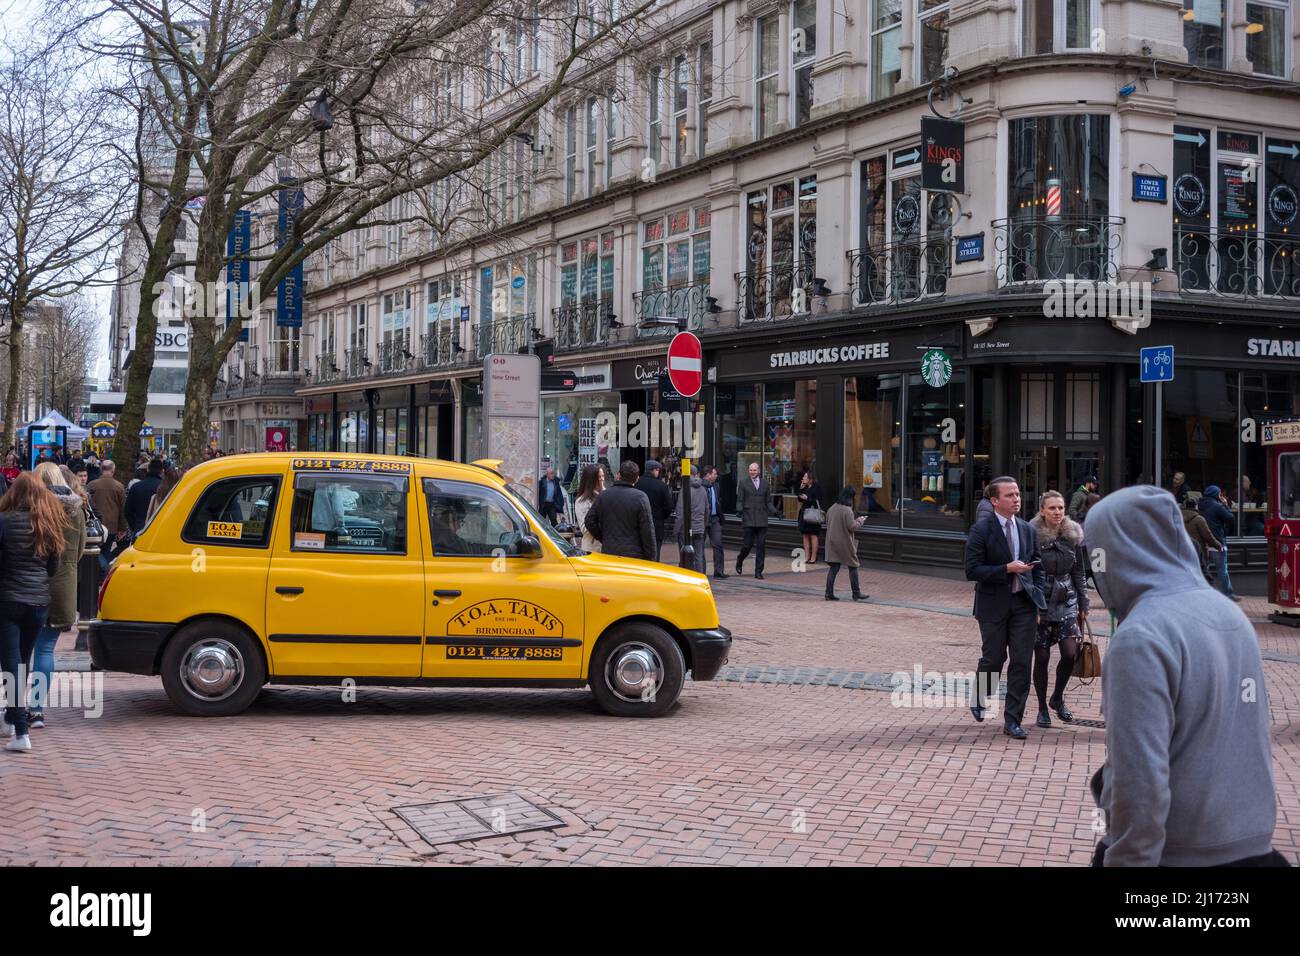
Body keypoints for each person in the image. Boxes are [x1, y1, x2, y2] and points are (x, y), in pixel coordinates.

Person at [1085, 486, 1286, 866]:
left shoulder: (1141, 637)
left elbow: (1139, 776)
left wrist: (1128, 859)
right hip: (1249, 844)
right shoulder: (1230, 615)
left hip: (1175, 853)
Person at [963, 476, 1047, 740]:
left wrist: (1037, 599)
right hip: (993, 605)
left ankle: (1013, 720)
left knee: (1022, 662)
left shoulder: (1027, 529)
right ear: (994, 500)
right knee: (994, 658)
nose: (1016, 499)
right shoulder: (981, 530)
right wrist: (1005, 569)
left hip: (1023, 605)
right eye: (1010, 495)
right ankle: (980, 695)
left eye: (1018, 494)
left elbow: (1038, 567)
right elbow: (971, 570)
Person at [0, 472, 68, 753]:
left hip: (8, 600)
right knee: (22, 662)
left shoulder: (3, 521)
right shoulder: (48, 524)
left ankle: (20, 729)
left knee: (11, 665)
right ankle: (10, 718)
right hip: (38, 602)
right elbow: (53, 567)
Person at [27, 463, 86, 731]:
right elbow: (81, 549)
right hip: (63, 586)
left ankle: (15, 707)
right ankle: (36, 709)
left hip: (30, 585)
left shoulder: (33, 509)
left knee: (19, 650)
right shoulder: (76, 511)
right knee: (46, 649)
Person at [1028, 491, 1087, 729]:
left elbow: (1080, 573)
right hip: (1041, 600)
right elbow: (1028, 573)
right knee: (1041, 657)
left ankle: (1057, 697)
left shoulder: (1072, 535)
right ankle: (1042, 707)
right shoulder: (1031, 535)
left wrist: (1084, 604)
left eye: (1061, 508)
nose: (1057, 512)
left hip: (1067, 600)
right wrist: (1032, 604)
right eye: (1052, 508)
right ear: (1042, 510)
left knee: (1070, 653)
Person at [584, 460, 655, 561]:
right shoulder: (640, 497)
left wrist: (603, 538)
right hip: (634, 554)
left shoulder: (604, 495)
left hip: (609, 551)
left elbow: (589, 521)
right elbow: (648, 531)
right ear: (637, 478)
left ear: (618, 475)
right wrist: (651, 557)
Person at [824, 487, 868, 602]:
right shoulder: (847, 510)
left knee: (834, 567)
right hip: (844, 542)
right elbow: (852, 527)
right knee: (853, 566)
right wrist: (860, 520)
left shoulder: (832, 507)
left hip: (831, 541)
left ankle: (828, 593)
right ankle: (856, 593)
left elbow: (827, 521)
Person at [1198, 484, 1239, 602]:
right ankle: (1228, 594)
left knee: (1204, 569)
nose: (1221, 496)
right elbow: (1230, 518)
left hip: (1203, 543)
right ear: (1216, 494)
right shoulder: (1217, 506)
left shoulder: (1200, 505)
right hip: (1217, 543)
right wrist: (1226, 505)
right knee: (1222, 570)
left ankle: (1204, 593)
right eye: (1219, 494)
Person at [88, 460, 127, 570]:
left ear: (101, 469)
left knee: (95, 551)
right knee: (105, 551)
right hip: (112, 525)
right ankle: (103, 571)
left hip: (94, 526)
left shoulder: (91, 485)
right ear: (113, 470)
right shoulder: (119, 486)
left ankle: (97, 572)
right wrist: (122, 528)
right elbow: (122, 509)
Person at [735, 462, 770, 579]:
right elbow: (740, 500)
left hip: (762, 519)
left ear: (759, 471)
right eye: (750, 470)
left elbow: (768, 501)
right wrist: (739, 510)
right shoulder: (743, 483)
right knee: (747, 545)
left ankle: (758, 571)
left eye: (754, 470)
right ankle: (740, 559)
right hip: (748, 518)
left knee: (761, 546)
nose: (752, 472)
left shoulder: (765, 484)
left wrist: (776, 512)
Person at [635, 460, 675, 562]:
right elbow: (669, 506)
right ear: (655, 470)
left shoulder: (636, 483)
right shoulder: (661, 486)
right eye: (658, 470)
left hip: (637, 524)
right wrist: (662, 516)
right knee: (655, 553)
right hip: (656, 524)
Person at [673, 468, 708, 572]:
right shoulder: (703, 489)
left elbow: (680, 513)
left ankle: (687, 576)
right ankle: (700, 576)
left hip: (686, 528)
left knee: (685, 555)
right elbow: (707, 509)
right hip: (699, 527)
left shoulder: (685, 490)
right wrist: (703, 524)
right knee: (699, 555)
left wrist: (676, 530)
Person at [1179, 495, 1222, 580]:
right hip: (1198, 552)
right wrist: (1218, 546)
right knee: (1201, 575)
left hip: (1182, 551)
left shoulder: (1178, 518)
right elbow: (1208, 536)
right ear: (1196, 506)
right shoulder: (1199, 519)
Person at [124, 458, 164, 534]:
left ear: (148, 470)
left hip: (140, 527)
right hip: (158, 529)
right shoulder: (164, 487)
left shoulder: (136, 486)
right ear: (162, 471)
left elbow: (127, 511)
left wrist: (134, 526)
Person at [701, 466, 727, 579]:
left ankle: (719, 571)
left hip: (715, 519)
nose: (716, 476)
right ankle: (701, 571)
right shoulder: (700, 486)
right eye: (715, 474)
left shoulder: (716, 486)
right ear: (708, 474)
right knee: (699, 545)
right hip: (703, 519)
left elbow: (718, 500)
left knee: (718, 544)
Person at [573, 464, 604, 553]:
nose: (602, 479)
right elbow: (585, 528)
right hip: (592, 547)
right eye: (599, 477)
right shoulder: (582, 501)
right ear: (592, 480)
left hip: (606, 547)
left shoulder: (605, 495)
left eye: (603, 476)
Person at [796, 470, 823, 565]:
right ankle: (806, 556)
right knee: (805, 535)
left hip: (813, 514)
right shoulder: (805, 487)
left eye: (805, 477)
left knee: (813, 535)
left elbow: (819, 500)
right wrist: (800, 488)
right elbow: (799, 499)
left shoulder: (817, 487)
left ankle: (813, 557)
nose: (803, 478)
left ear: (810, 479)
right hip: (804, 513)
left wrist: (808, 499)